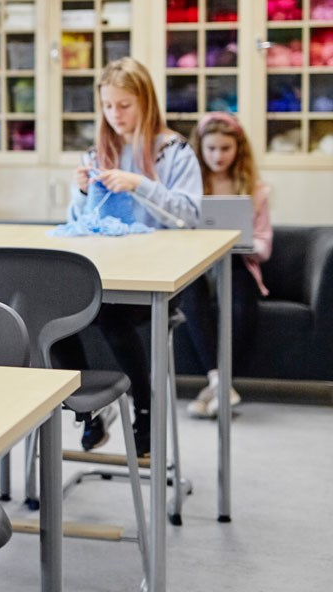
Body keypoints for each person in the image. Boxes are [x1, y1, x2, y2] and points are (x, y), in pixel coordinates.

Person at [63, 58, 202, 456]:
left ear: (146, 102)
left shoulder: (174, 152)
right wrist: (83, 194)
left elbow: (189, 216)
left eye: (124, 105)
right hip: (107, 273)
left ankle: (145, 410)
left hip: (160, 277)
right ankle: (86, 410)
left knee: (108, 312)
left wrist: (140, 184)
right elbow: (79, 223)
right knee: (53, 310)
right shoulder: (98, 152)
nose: (115, 114)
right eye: (108, 105)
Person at [178, 112, 271, 418]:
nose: (218, 156)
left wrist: (246, 244)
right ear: (200, 150)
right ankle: (221, 382)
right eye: (211, 149)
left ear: (238, 149)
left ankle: (215, 387)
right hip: (195, 265)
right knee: (190, 293)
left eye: (226, 149)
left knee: (239, 291)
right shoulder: (188, 188)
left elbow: (264, 244)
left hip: (236, 263)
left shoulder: (256, 190)